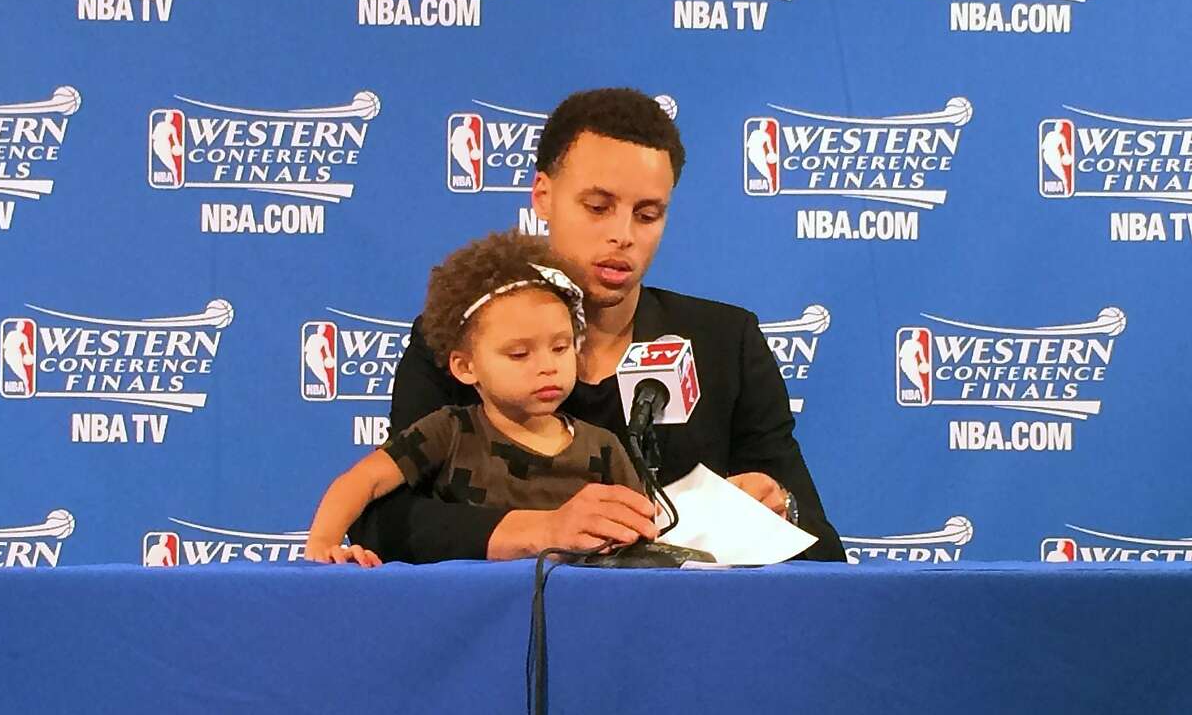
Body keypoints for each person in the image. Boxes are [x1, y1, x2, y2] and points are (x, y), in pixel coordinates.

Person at [347, 87, 845, 563]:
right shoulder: (461, 337)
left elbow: (821, 548)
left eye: (647, 215)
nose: (622, 236)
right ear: (542, 195)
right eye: (598, 207)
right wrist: (540, 531)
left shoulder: (724, 343)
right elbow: (383, 520)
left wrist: (780, 508)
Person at [306, 230, 644, 565]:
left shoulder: (604, 447)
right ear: (466, 367)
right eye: (519, 353)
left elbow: (639, 536)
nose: (547, 366)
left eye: (560, 347)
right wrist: (323, 545)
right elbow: (361, 482)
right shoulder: (448, 431)